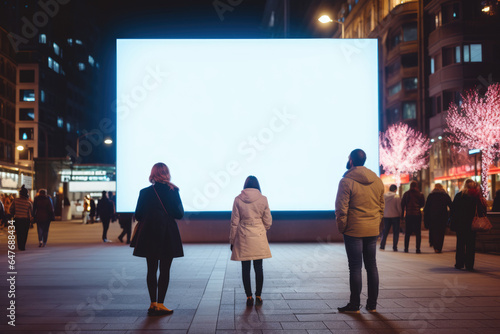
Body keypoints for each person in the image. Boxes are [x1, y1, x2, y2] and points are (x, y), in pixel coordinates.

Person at [335, 149, 384, 313]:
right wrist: (376, 223)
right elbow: (381, 206)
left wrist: (343, 227)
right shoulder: (377, 181)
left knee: (355, 267)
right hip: (372, 229)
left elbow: (341, 208)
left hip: (354, 230)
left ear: (351, 161)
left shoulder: (346, 181)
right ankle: (372, 305)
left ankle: (355, 305)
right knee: (372, 266)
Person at [133, 162, 184, 316]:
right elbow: (179, 214)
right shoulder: (173, 191)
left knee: (151, 269)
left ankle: (152, 303)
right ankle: (161, 303)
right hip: (167, 233)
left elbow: (138, 214)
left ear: (153, 173)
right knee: (165, 269)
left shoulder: (144, 192)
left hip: (149, 233)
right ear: (166, 173)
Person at [230, 176, 272, 307]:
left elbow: (234, 222)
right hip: (258, 234)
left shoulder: (238, 199)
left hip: (243, 235)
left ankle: (248, 296)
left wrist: (232, 240)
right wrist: (261, 228)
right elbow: (268, 221)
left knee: (245, 268)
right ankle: (258, 295)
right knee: (259, 267)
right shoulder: (263, 199)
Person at [450, 179, 486, 271]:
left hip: (461, 224)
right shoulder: (476, 197)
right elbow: (482, 210)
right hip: (472, 224)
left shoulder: (459, 196)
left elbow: (453, 210)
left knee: (460, 244)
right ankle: (469, 264)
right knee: (471, 244)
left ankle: (459, 263)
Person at [424, 184, 452, 253]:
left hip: (433, 217)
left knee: (434, 231)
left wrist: (426, 217)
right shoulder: (445, 195)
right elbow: (451, 205)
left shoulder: (431, 196)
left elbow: (426, 208)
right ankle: (439, 247)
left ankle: (435, 247)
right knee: (441, 232)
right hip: (443, 216)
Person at [401, 181, 425, 253]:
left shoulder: (406, 194)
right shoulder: (420, 194)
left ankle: (406, 248)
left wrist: (402, 215)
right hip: (417, 215)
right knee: (418, 233)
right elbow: (422, 204)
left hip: (409, 215)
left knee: (407, 233)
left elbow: (402, 205)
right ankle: (418, 249)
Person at [9, 185, 33, 251]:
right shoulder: (28, 203)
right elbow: (31, 211)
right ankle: (23, 246)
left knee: (19, 233)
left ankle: (20, 246)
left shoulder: (15, 201)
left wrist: (13, 213)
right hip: (25, 220)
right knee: (25, 233)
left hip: (18, 219)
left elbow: (11, 209)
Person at [380, 184, 401, 251]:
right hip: (395, 216)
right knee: (396, 232)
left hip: (386, 215)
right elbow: (399, 207)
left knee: (385, 231)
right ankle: (395, 247)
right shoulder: (396, 196)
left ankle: (382, 245)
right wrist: (400, 214)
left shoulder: (384, 196)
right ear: (395, 189)